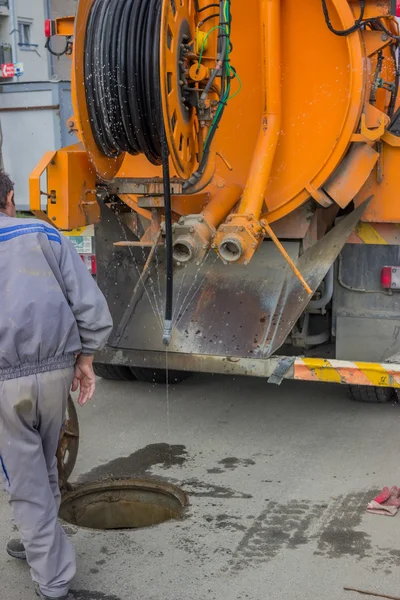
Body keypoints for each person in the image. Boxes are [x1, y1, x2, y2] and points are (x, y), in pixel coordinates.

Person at [0, 171, 113, 599]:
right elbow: (89, 304)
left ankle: (54, 588)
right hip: (54, 375)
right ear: (10, 197)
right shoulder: (42, 233)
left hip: (4, 385)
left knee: (25, 482)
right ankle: (38, 545)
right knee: (44, 463)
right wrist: (85, 358)